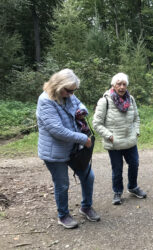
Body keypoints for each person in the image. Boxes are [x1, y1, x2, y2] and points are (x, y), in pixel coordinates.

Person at [36, 69, 100, 229]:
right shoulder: (45, 101)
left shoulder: (69, 94)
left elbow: (78, 103)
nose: (72, 94)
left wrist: (82, 110)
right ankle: (63, 215)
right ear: (58, 86)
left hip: (73, 149)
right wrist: (83, 138)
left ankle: (86, 207)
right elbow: (57, 130)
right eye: (69, 90)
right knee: (62, 184)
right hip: (54, 151)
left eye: (73, 91)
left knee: (88, 176)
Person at [93, 73, 146, 205]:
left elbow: (136, 118)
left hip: (130, 141)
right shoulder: (104, 101)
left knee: (134, 164)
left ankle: (133, 187)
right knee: (117, 169)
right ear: (113, 85)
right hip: (114, 142)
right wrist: (109, 135)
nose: (122, 87)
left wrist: (136, 131)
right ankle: (117, 192)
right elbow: (97, 124)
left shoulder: (131, 99)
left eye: (124, 84)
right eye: (119, 84)